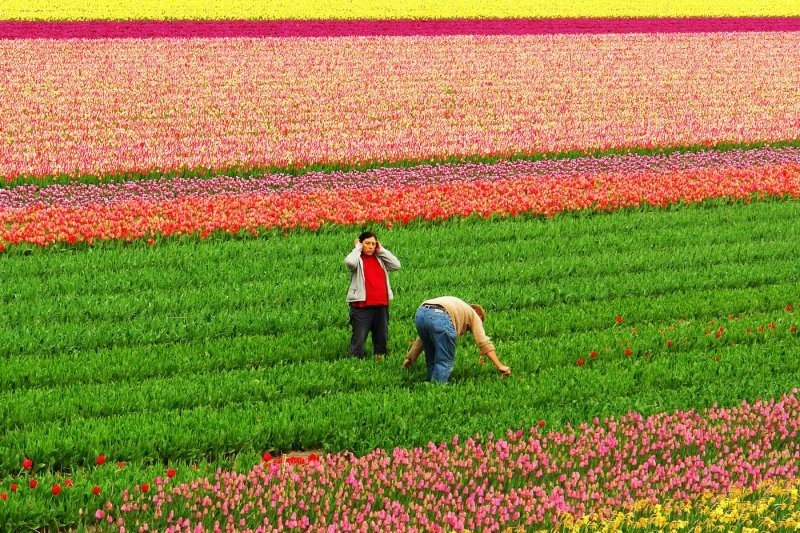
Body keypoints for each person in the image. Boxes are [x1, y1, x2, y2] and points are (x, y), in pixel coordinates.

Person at [403, 296, 511, 383]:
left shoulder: (458, 306)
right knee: (445, 361)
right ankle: (437, 389)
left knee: (431, 357)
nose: (469, 330)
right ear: (477, 311)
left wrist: (411, 357)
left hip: (421, 314)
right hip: (441, 316)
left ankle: (430, 386)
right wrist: (500, 365)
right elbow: (483, 342)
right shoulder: (474, 315)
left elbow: (422, 338)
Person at [345, 231, 401, 359]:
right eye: (367, 243)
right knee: (359, 338)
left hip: (381, 306)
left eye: (373, 244)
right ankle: (355, 360)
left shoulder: (380, 258)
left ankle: (379, 360)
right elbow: (349, 262)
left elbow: (397, 265)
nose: (370, 246)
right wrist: (357, 248)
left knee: (381, 337)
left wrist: (381, 250)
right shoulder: (357, 260)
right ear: (361, 244)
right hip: (362, 307)